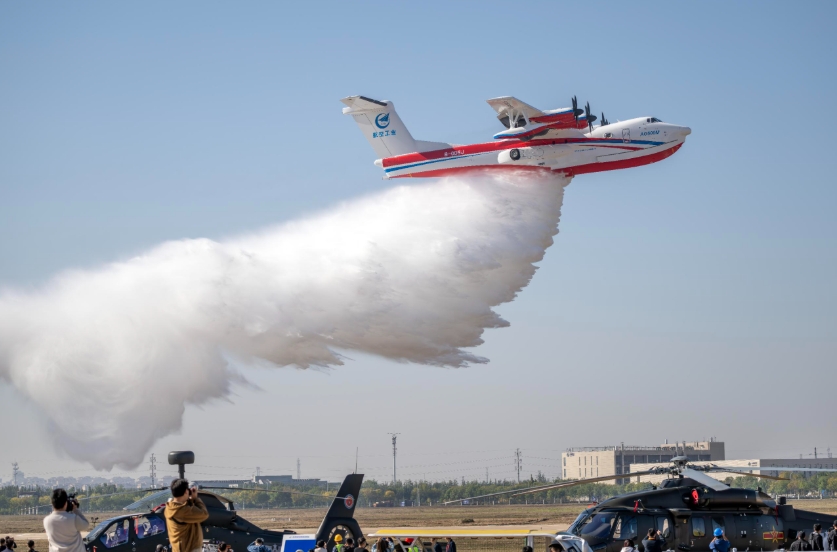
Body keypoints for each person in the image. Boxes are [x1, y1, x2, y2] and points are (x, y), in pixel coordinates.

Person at [164, 479, 209, 552]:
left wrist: (190, 500)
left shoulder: (170, 506)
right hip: (190, 548)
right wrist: (196, 499)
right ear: (185, 491)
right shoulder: (183, 511)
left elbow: (185, 507)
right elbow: (204, 514)